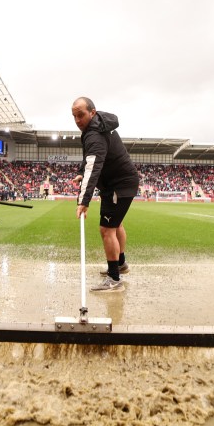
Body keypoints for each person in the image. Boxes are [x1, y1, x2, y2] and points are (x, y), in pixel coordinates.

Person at [71, 96, 140, 292]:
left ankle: (114, 279)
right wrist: (80, 172)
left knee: (106, 230)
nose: (77, 120)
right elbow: (90, 158)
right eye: (74, 116)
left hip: (118, 186)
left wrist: (83, 201)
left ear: (92, 112)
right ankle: (120, 264)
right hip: (119, 183)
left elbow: (93, 167)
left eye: (81, 115)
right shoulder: (98, 125)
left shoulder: (95, 134)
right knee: (116, 226)